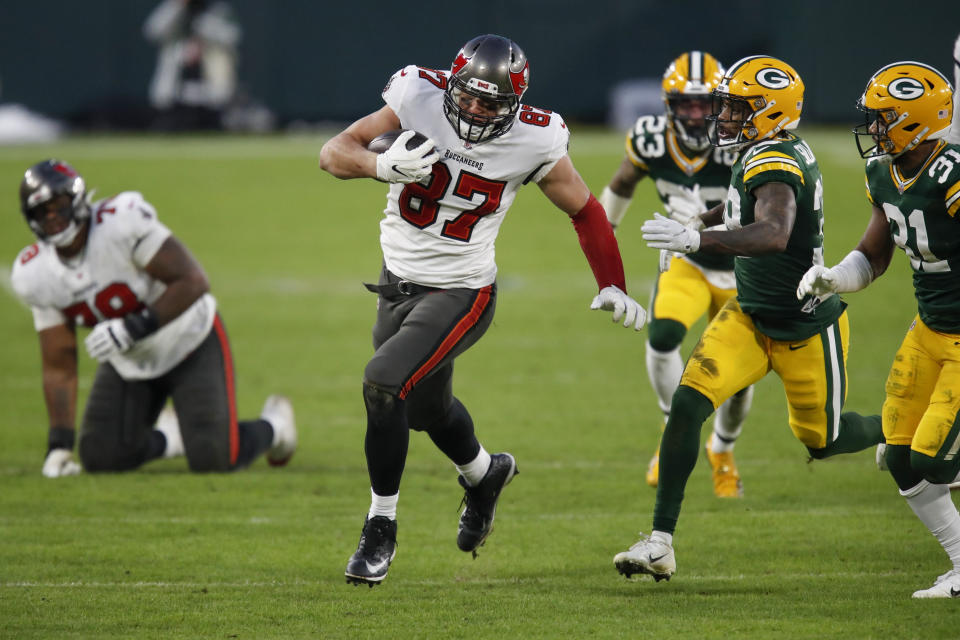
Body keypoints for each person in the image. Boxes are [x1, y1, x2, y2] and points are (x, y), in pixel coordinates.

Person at [318, 34, 646, 586]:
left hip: (461, 292)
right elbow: (333, 153)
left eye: (491, 104)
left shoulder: (535, 139)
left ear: (514, 104)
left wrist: (612, 281)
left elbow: (586, 209)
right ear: (452, 84)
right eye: (468, 97)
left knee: (383, 383)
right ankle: (484, 473)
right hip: (395, 283)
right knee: (423, 410)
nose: (475, 110)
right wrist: (381, 168)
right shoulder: (416, 94)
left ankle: (380, 527)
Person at [611, 55, 884, 582]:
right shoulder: (762, 150)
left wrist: (697, 238)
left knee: (823, 441)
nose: (724, 116)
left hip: (805, 327)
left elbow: (774, 231)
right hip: (750, 314)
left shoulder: (775, 161)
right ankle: (660, 542)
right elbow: (743, 206)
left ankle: (902, 434)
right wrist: (703, 217)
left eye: (736, 108)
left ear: (769, 111)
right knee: (688, 403)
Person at [11, 159, 297, 477]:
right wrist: (59, 445)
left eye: (58, 206)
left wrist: (133, 327)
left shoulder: (120, 223)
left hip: (188, 339)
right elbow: (58, 365)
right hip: (130, 360)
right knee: (100, 456)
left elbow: (193, 280)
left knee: (214, 459)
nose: (52, 218)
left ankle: (276, 425)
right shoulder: (35, 274)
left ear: (76, 200)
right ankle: (172, 437)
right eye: (42, 212)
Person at [797, 61, 960, 598]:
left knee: (933, 458)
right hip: (929, 329)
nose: (873, 128)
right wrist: (832, 278)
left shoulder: (953, 173)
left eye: (884, 118)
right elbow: (874, 254)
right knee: (898, 454)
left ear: (916, 121)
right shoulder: (883, 174)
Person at [599, 51, 752, 498]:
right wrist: (602, 241)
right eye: (686, 104)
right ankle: (674, 432)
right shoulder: (650, 140)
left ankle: (722, 450)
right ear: (668, 104)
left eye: (706, 103)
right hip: (686, 263)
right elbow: (620, 186)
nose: (696, 113)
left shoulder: (743, 145)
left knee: (739, 379)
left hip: (744, 268)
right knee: (662, 334)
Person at [143, 0, 241, 130]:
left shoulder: (217, 8)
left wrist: (201, 35)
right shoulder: (173, 6)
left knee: (221, 59)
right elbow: (153, 31)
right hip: (175, 83)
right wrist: (177, 7)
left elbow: (233, 35)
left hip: (209, 79)